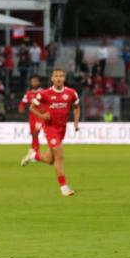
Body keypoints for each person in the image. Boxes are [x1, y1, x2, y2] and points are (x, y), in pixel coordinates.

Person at [21, 68, 80, 197]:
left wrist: (76, 123)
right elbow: (32, 107)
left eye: (61, 76)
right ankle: (64, 187)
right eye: (56, 76)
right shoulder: (45, 94)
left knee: (50, 160)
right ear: (52, 79)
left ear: (64, 78)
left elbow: (76, 107)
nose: (58, 78)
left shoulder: (71, 93)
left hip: (61, 129)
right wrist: (42, 116)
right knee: (59, 157)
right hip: (50, 129)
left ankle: (33, 156)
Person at [18, 75, 43, 166]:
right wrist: (21, 108)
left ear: (39, 82)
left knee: (36, 133)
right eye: (33, 81)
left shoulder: (43, 92)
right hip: (32, 117)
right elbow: (22, 102)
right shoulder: (28, 94)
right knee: (33, 135)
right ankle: (34, 153)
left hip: (40, 116)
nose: (34, 83)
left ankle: (34, 153)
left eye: (36, 81)